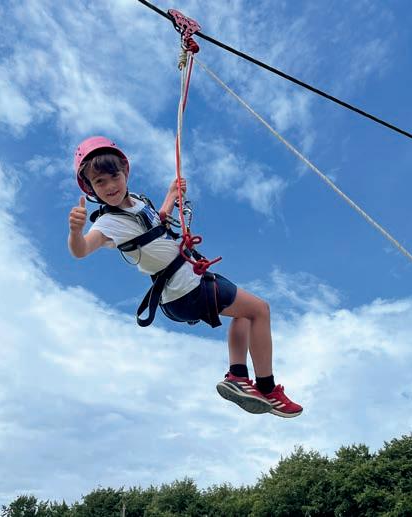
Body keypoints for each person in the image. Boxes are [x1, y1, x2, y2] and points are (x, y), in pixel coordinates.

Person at [68, 136, 302, 417]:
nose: (110, 186)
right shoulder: (109, 223)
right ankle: (268, 389)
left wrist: (170, 195)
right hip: (185, 289)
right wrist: (75, 232)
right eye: (100, 182)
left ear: (125, 172)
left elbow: (156, 223)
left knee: (244, 315)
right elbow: (82, 250)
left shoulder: (138, 202)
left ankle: (238, 377)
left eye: (113, 176)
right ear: (90, 188)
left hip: (187, 285)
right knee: (260, 310)